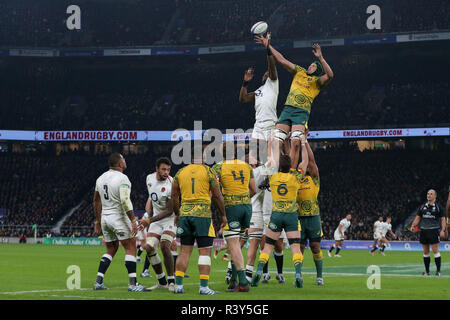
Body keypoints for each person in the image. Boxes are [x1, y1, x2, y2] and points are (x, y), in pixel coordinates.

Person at [255, 33, 333, 170]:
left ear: (318, 70)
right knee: (275, 141)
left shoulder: (317, 82)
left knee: (295, 143)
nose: (310, 66)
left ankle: (290, 172)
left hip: (301, 113)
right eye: (310, 65)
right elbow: (282, 60)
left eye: (313, 66)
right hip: (288, 109)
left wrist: (320, 58)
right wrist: (267, 45)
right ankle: (271, 170)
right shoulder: (299, 71)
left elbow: (330, 75)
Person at [251, 135, 308, 288]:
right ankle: (298, 274)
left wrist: (270, 144)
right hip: (291, 215)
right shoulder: (295, 177)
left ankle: (258, 271)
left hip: (275, 215)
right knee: (295, 247)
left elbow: (270, 159)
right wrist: (303, 143)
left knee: (268, 246)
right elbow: (305, 162)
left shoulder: (273, 176)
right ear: (290, 167)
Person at [172, 150, 227, 295]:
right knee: (204, 252)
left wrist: (177, 213)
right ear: (202, 159)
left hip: (185, 215)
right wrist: (223, 215)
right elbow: (217, 195)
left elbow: (174, 196)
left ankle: (178, 286)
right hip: (202, 216)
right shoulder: (208, 171)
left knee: (184, 251)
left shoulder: (180, 173)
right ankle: (203, 287)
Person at [93, 153, 145, 292]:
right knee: (130, 247)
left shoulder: (101, 178)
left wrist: (98, 220)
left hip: (105, 218)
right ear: (120, 164)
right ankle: (133, 284)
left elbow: (96, 200)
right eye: (123, 159)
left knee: (111, 248)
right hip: (119, 218)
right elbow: (124, 200)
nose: (125, 161)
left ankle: (98, 282)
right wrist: (133, 219)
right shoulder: (123, 178)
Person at [213, 146, 257, 292]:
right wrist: (243, 199)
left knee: (233, 244)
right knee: (236, 244)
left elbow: (215, 191)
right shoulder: (246, 166)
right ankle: (233, 280)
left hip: (232, 208)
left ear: (222, 153)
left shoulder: (219, 167)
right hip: (247, 207)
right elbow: (254, 190)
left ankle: (243, 282)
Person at [239, 32, 278, 164]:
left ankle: (272, 180)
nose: (266, 74)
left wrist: (267, 47)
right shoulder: (258, 91)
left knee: (271, 158)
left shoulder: (273, 83)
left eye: (268, 72)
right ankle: (256, 181)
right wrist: (245, 83)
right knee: (253, 158)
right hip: (258, 127)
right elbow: (243, 99)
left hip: (271, 125)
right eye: (265, 74)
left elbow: (271, 65)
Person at [139, 157, 176, 291]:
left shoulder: (171, 184)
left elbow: (169, 210)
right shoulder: (149, 178)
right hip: (155, 219)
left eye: (168, 170)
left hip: (169, 219)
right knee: (148, 248)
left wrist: (149, 220)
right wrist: (149, 218)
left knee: (165, 245)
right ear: (157, 169)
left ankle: (171, 281)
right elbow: (152, 200)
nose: (166, 172)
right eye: (163, 169)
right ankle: (161, 282)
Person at [297, 134, 324, 286]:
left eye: (305, 164)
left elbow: (312, 161)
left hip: (313, 217)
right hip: (299, 217)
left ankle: (319, 276)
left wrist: (304, 142)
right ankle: (298, 275)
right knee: (299, 248)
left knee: (315, 246)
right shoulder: (296, 179)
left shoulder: (313, 178)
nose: (305, 166)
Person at [410, 189, 446, 276]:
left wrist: (443, 230)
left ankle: (438, 271)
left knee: (435, 251)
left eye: (431, 194)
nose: (429, 195)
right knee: (425, 252)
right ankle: (427, 272)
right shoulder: (422, 207)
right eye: (428, 194)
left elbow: (443, 219)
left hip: (434, 231)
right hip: (423, 231)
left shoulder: (438, 207)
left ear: (435, 196)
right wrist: (413, 225)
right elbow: (418, 217)